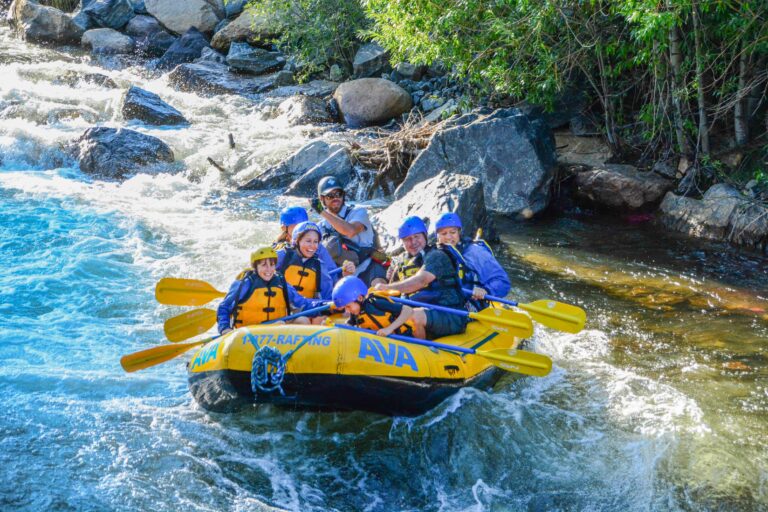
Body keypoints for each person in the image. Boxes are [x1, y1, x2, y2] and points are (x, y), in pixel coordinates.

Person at [374, 216, 468, 340]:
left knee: (414, 316)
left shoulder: (437, 255)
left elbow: (420, 281)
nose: (413, 242)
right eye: (408, 239)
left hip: (450, 314)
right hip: (420, 311)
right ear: (402, 242)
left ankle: (421, 348)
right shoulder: (402, 262)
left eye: (416, 237)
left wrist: (385, 287)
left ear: (425, 236)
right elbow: (393, 294)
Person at [217, 247, 324, 335]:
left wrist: (326, 305)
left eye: (272, 265)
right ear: (255, 267)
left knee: (303, 320)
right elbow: (224, 307)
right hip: (249, 333)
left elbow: (303, 303)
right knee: (281, 324)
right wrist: (224, 328)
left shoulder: (281, 283)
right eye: (264, 265)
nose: (269, 269)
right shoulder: (244, 284)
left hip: (276, 329)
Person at [309, 176, 387, 287]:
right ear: (322, 199)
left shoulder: (359, 212)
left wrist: (322, 212)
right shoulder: (320, 227)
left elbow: (350, 231)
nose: (335, 198)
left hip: (368, 266)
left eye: (338, 194)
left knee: (379, 288)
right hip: (342, 273)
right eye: (330, 196)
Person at [433, 212, 511, 307]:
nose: (448, 237)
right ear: (437, 237)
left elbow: (503, 282)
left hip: (471, 304)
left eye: (453, 232)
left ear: (459, 233)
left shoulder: (475, 252)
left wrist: (486, 290)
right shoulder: (433, 255)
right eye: (443, 233)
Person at [332, 276, 420, 338]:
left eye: (348, 306)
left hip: (404, 337)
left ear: (359, 298)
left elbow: (408, 310)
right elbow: (350, 324)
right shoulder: (356, 311)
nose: (347, 311)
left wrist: (389, 329)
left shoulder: (375, 302)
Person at [276, 221, 336, 301]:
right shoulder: (282, 256)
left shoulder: (320, 266)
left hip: (305, 310)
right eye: (308, 241)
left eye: (315, 242)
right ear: (297, 241)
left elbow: (327, 296)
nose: (312, 245)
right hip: (279, 307)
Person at [274, 206, 341, 277]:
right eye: (296, 225)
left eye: (303, 224)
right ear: (284, 228)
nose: (300, 228)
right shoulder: (279, 249)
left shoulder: (317, 248)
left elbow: (331, 270)